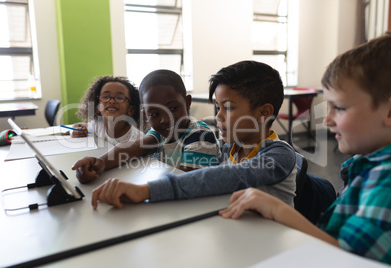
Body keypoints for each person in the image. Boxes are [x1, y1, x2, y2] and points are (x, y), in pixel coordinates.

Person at [219, 33, 391, 265]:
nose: (326, 119)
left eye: (339, 107)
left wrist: (277, 210)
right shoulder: (365, 167)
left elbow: (349, 261)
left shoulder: (385, 180)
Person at [89, 60, 297, 210]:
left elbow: (226, 178)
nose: (218, 117)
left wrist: (145, 191)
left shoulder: (278, 155)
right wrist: (100, 162)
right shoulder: (228, 149)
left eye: (229, 108)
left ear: (263, 113)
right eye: (217, 107)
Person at [72, 69, 220, 180]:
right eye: (155, 114)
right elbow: (133, 147)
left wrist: (137, 190)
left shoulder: (199, 136)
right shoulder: (159, 134)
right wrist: (100, 163)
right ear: (146, 116)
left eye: (173, 108)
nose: (165, 120)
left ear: (187, 102)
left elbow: (186, 180)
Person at [71, 75, 144, 145]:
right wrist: (78, 130)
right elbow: (79, 125)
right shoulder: (97, 126)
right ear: (97, 107)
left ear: (130, 110)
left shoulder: (138, 138)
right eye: (105, 97)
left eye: (120, 98)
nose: (111, 101)